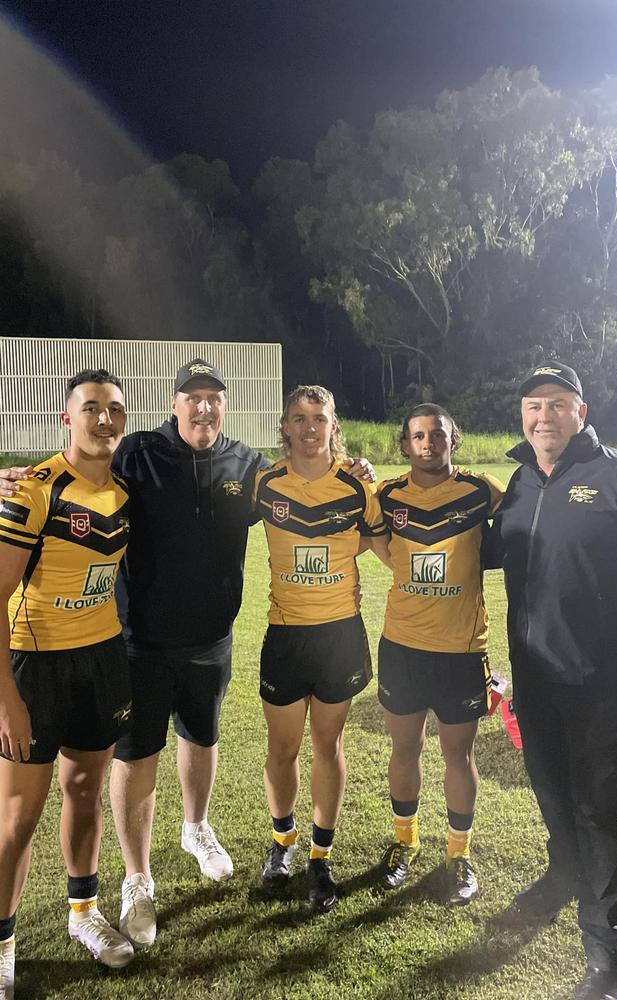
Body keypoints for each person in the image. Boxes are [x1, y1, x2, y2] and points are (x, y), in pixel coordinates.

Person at [0, 359, 374, 949]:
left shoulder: (247, 466)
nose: (204, 407)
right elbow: (75, 467)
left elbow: (304, 476)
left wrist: (352, 465)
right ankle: (138, 881)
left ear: (224, 407)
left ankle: (196, 829)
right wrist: (13, 479)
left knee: (202, 737)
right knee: (137, 754)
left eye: (214, 398)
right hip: (136, 643)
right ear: (174, 405)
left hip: (212, 640)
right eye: (192, 397)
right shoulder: (137, 453)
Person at [493, 362, 617, 1000]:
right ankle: (562, 875)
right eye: (533, 406)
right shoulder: (520, 481)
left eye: (556, 404)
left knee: (599, 813)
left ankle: (607, 951)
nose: (543, 417)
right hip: (534, 682)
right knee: (553, 797)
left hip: (598, 686)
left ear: (580, 412)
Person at [0, 370, 133, 999]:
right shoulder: (33, 490)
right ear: (66, 418)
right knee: (18, 816)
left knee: (85, 789)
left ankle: (84, 914)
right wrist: (6, 698)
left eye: (114, 410)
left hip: (103, 659)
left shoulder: (124, 492)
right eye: (90, 409)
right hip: (37, 666)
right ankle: (2, 944)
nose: (103, 420)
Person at [253, 385, 389, 912]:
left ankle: (320, 856)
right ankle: (282, 842)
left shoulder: (357, 486)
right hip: (284, 637)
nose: (309, 426)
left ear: (334, 425)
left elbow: (383, 545)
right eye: (299, 417)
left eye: (320, 417)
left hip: (338, 635)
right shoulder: (264, 483)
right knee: (282, 749)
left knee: (327, 746)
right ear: (284, 426)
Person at [374, 403, 504, 903]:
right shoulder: (387, 496)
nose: (428, 443)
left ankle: (458, 854)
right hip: (402, 646)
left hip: (461, 650)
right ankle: (404, 842)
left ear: (455, 438)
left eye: (438, 434)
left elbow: (526, 512)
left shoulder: (480, 489)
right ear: (406, 444)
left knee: (458, 753)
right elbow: (366, 532)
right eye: (418, 436)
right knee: (404, 749)